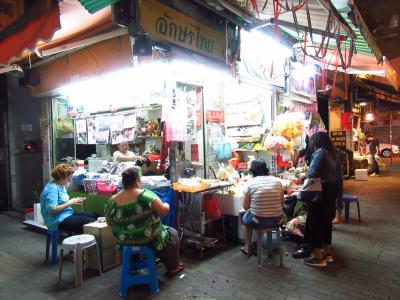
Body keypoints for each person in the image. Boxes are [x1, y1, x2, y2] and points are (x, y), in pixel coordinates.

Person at [104, 167, 183, 275]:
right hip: (148, 239)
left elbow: (108, 222)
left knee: (146, 236)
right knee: (172, 234)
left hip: (124, 242)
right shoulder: (145, 195)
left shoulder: (112, 200)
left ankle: (135, 268)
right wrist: (167, 205)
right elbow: (163, 212)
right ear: (137, 180)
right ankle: (173, 267)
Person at [293, 131, 338, 267]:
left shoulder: (320, 152)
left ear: (316, 141)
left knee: (315, 222)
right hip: (331, 189)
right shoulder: (332, 153)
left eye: (312, 141)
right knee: (326, 221)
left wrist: (302, 175)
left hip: (321, 191)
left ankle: (318, 257)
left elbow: (312, 173)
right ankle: (327, 253)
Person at [240, 160, 284, 256]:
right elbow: (282, 204)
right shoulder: (278, 181)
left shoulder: (250, 183)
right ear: (266, 169)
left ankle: (247, 247)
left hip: (258, 221)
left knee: (243, 214)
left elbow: (245, 206)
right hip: (278, 220)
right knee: (256, 215)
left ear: (252, 171)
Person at [40, 164, 97, 233]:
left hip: (66, 213)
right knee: (93, 223)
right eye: (68, 179)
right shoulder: (52, 189)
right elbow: (52, 210)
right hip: (57, 220)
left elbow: (61, 201)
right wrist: (70, 202)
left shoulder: (60, 185)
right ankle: (79, 242)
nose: (69, 181)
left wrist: (74, 201)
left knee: (94, 215)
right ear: (61, 177)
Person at [333, 149, 344, 224]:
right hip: (338, 178)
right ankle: (337, 217)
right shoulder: (338, 153)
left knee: (338, 198)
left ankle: (338, 218)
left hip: (336, 179)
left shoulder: (335, 154)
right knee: (338, 198)